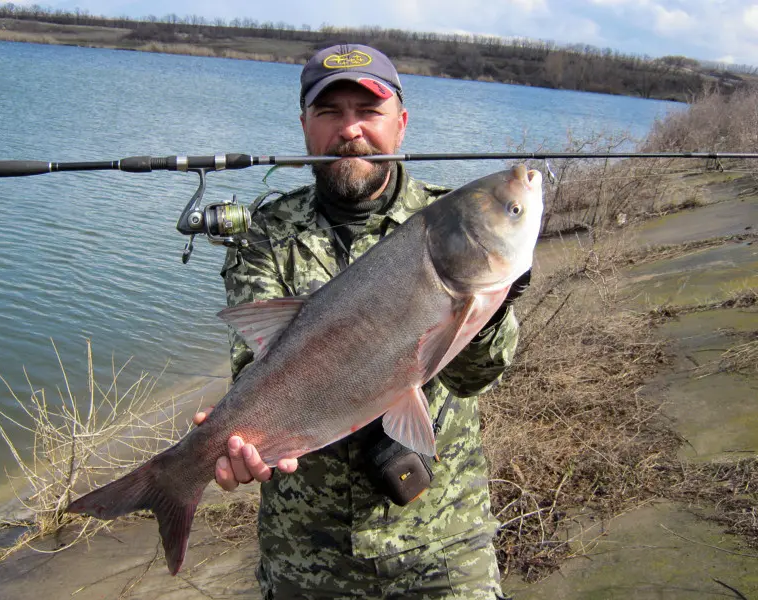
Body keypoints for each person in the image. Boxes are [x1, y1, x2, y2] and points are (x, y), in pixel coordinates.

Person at [194, 43, 526, 599]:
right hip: (306, 552)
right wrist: (237, 448)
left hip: (443, 542)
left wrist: (493, 303)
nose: (349, 131)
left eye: (368, 111)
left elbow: (475, 377)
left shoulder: (456, 223)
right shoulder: (265, 236)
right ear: (304, 125)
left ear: (401, 123)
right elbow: (255, 368)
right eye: (330, 112)